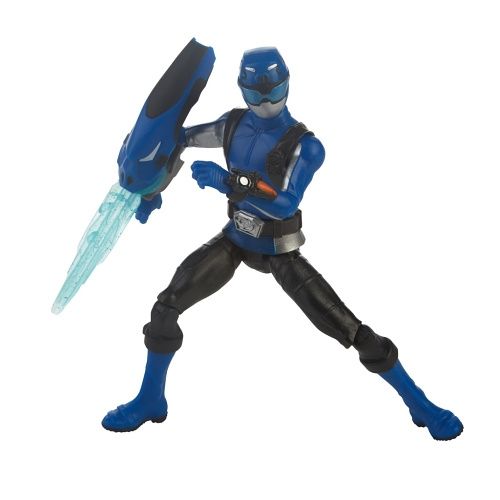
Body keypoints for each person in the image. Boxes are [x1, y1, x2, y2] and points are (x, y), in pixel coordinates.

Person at [102, 47, 463, 440]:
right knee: (165, 307)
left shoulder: (305, 146)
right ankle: (150, 399)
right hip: (236, 239)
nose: (265, 102)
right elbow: (179, 138)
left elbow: (286, 203)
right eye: (254, 94)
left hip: (279, 249)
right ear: (241, 89)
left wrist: (228, 183)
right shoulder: (230, 125)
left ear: (287, 85)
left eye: (273, 91)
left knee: (352, 331)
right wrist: (149, 185)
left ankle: (421, 404)